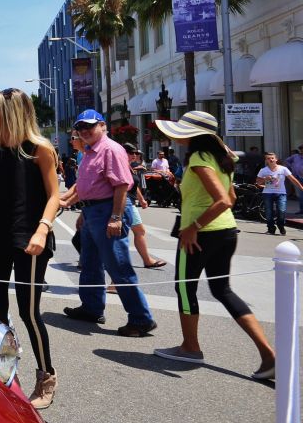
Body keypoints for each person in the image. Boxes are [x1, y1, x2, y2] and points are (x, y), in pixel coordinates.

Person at [152, 111, 275, 379]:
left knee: (185, 288)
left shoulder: (199, 158)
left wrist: (192, 228)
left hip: (201, 233)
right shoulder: (223, 158)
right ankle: (267, 352)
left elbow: (223, 199)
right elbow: (230, 196)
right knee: (222, 289)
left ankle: (190, 347)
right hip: (226, 230)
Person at [0, 89, 62, 409]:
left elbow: (54, 195)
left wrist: (42, 230)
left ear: (13, 113)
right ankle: (2, 375)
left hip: (30, 240)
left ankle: (47, 377)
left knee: (29, 312)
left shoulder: (40, 149)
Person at [60, 109, 158, 336]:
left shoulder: (110, 149)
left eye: (89, 126)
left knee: (118, 266)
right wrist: (81, 210)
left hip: (106, 211)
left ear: (102, 126)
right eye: (80, 127)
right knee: (90, 263)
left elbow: (122, 185)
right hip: (93, 211)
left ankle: (141, 318)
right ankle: (92, 308)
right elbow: (88, 185)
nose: (84, 131)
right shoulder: (90, 151)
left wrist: (115, 217)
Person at [124, 143, 167, 268]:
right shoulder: (121, 165)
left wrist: (142, 199)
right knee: (121, 236)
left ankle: (147, 260)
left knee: (138, 231)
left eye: (136, 153)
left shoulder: (129, 166)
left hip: (130, 202)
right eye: (131, 153)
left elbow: (133, 185)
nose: (134, 155)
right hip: (124, 203)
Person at [256, 151, 303, 235]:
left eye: (272, 158)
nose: (271, 160)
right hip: (267, 193)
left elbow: (293, 179)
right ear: (266, 160)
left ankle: (281, 225)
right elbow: (258, 182)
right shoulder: (263, 170)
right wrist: (265, 179)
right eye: (268, 158)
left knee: (281, 210)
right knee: (269, 212)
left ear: (276, 159)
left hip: (281, 193)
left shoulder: (283, 169)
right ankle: (271, 228)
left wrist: (301, 187)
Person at [286, 144, 303, 213]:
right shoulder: (295, 156)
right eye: (301, 149)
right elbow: (287, 161)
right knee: (301, 195)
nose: (302, 150)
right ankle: (302, 209)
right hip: (298, 177)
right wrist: (291, 166)